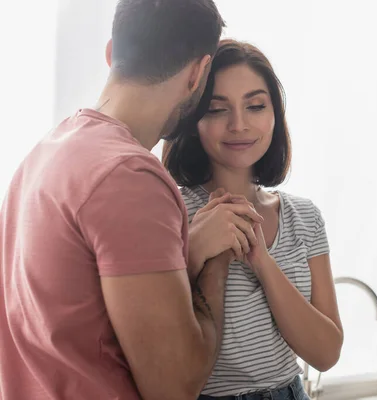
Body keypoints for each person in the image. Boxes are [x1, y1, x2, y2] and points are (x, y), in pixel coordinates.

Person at [0, 1, 257, 399]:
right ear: (198, 74)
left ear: (110, 53)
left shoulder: (46, 153)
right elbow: (175, 386)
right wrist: (215, 261)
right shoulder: (129, 177)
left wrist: (183, 249)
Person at [163, 39, 344, 399]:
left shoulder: (305, 217)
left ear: (275, 115)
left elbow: (326, 354)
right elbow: (159, 353)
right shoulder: (172, 215)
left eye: (256, 106)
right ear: (194, 120)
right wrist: (194, 253)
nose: (239, 125)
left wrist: (261, 260)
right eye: (217, 109)